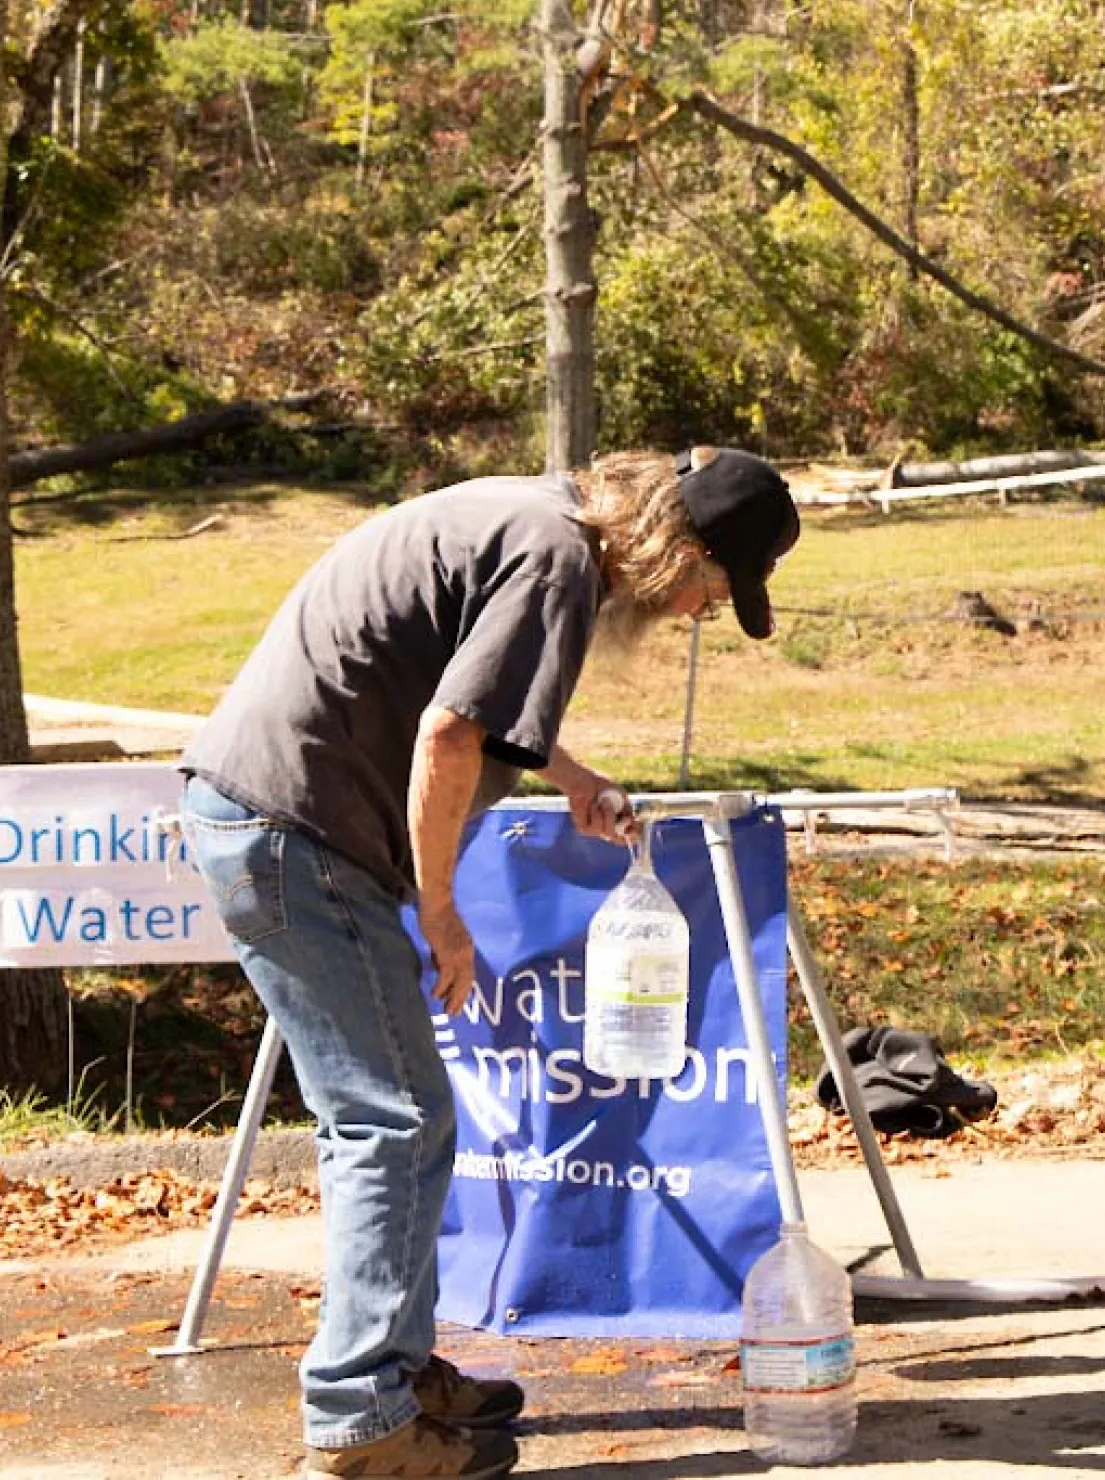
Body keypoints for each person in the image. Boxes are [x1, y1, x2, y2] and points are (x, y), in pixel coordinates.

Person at [177, 447, 798, 1480]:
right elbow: (452, 733)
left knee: (393, 1118)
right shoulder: (556, 561)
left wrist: (570, 774)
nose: (698, 611)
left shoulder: (540, 522)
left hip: (278, 819)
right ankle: (360, 1417)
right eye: (712, 589)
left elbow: (475, 697)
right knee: (397, 1118)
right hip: (298, 831)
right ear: (674, 552)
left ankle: (398, 1368)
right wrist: (442, 911)